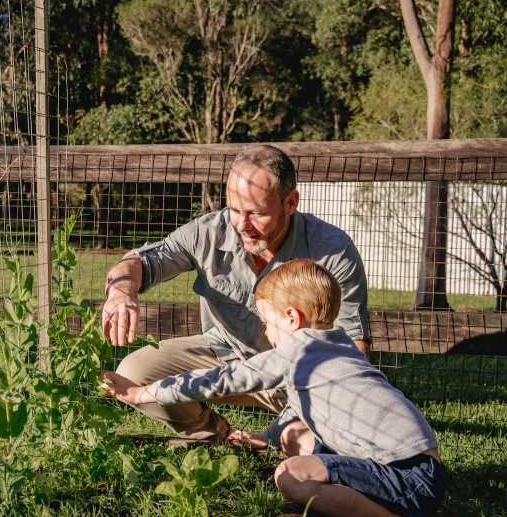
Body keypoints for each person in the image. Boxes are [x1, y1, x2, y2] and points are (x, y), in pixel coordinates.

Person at [100, 259, 451, 517]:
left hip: (409, 477)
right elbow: (300, 407)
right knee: (290, 434)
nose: (265, 333)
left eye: (266, 322)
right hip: (418, 467)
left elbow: (226, 378)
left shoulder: (297, 349)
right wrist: (264, 438)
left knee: (291, 478)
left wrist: (147, 391)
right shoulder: (333, 344)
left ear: (291, 318)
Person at [101, 144, 370, 440]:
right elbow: (141, 262)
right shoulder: (208, 232)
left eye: (256, 213)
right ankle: (212, 434)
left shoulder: (333, 250)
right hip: (223, 358)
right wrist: (121, 293)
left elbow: (352, 348)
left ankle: (287, 432)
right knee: (132, 373)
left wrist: (323, 405)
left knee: (301, 444)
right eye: (234, 209)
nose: (242, 225)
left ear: (291, 203)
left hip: (295, 375)